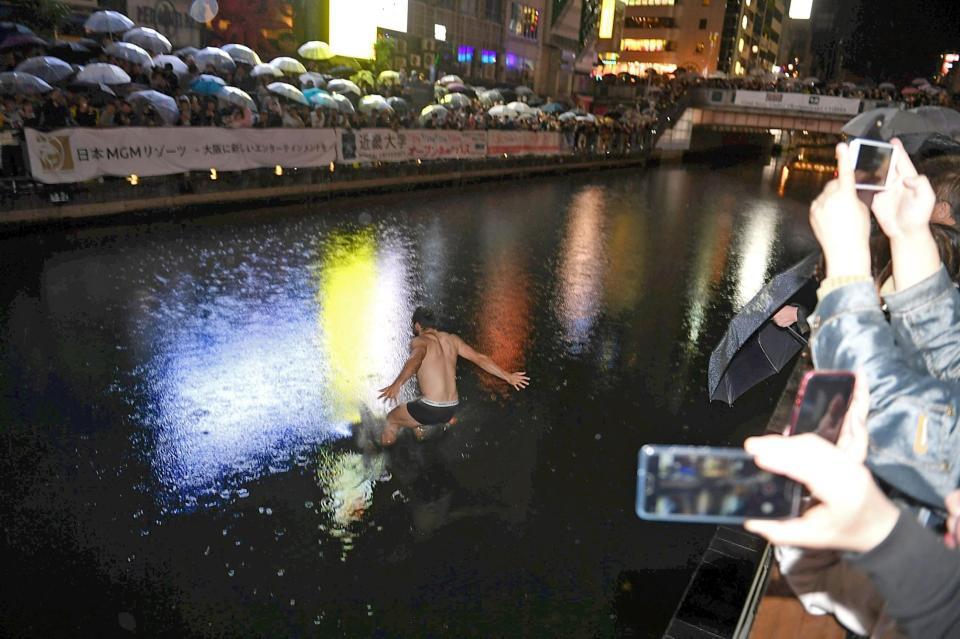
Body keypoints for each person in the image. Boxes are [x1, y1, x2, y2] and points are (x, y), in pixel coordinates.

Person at [376, 307, 530, 446]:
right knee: (416, 402)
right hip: (450, 408)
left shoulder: (420, 341)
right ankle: (420, 429)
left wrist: (397, 384)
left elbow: (415, 360)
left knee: (391, 419)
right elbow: (479, 358)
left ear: (417, 326)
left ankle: (380, 460)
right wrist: (508, 376)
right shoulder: (452, 340)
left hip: (431, 408)